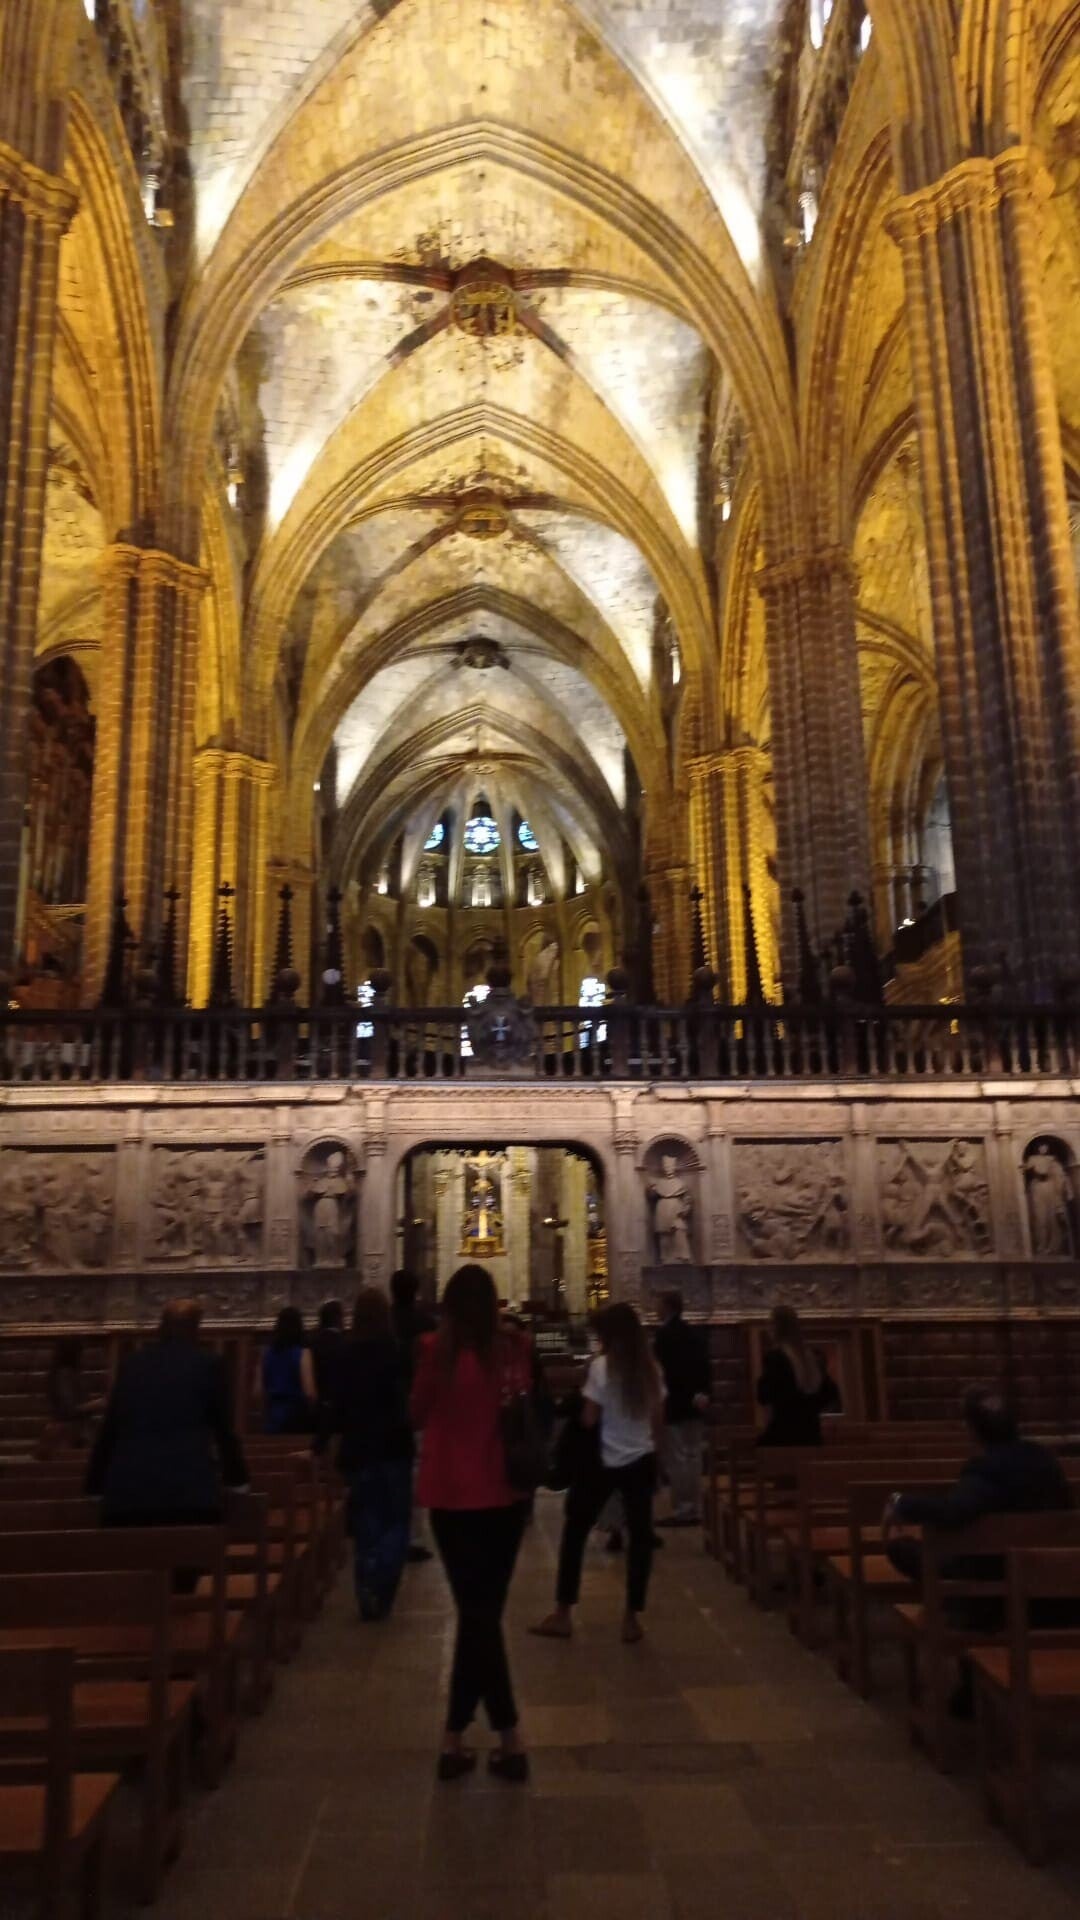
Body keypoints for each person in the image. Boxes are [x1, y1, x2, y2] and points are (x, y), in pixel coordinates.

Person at [411, 1264, 532, 1784]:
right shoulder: (513, 1350)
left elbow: (415, 1413)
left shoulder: (432, 1352)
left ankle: (459, 1739)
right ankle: (502, 1739)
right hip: (504, 1496)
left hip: (451, 1498)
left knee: (476, 1616)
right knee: (482, 1616)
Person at [883, 1387, 1074, 1715]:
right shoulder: (1045, 1460)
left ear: (971, 1430)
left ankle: (968, 1676)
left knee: (910, 1553)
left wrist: (902, 1503)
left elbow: (954, 1512)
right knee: (961, 1563)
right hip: (1054, 1590)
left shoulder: (985, 1468)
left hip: (997, 1599)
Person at [532, 1302, 663, 1646]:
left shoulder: (602, 1368)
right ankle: (632, 1618)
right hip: (641, 1459)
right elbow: (657, 1420)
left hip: (603, 1460)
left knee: (575, 1531)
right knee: (640, 1538)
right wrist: (655, 1455)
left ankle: (563, 1613)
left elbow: (589, 1419)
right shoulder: (651, 1369)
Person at [86, 1300, 248, 1526]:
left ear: (160, 1328)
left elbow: (111, 1427)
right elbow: (224, 1430)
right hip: (190, 1492)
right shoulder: (209, 1364)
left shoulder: (133, 1364)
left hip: (128, 1493)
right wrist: (237, 1481)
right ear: (195, 1330)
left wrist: (94, 1484)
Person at [323, 1288, 413, 1621]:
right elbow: (405, 1401)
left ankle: (366, 1589)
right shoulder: (397, 1352)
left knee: (365, 1523)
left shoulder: (345, 1354)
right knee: (396, 1521)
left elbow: (336, 1405)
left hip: (359, 1449)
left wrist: (320, 1444)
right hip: (393, 1448)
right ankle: (383, 1584)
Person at [391, 1269, 438, 1562]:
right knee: (416, 1470)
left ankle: (391, 1533)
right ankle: (414, 1536)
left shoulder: (384, 1321)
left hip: (389, 1406)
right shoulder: (426, 1322)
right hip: (417, 1403)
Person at [653, 1289, 710, 1525]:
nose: (656, 1309)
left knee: (677, 1458)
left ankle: (683, 1509)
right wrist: (703, 1393)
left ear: (667, 1307)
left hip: (674, 1403)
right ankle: (695, 1506)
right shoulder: (693, 1333)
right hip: (694, 1402)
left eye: (658, 1305)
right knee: (694, 1456)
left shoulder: (664, 1336)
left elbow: (662, 1373)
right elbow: (704, 1366)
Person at [756, 1304, 838, 1446]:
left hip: (783, 1434)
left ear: (777, 1328)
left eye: (770, 1324)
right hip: (812, 1434)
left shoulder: (776, 1357)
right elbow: (830, 1393)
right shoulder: (812, 1357)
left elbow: (763, 1396)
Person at [260, 1306, 316, 1434]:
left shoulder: (266, 1353)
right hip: (295, 1417)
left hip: (273, 1415)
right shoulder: (303, 1353)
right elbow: (309, 1392)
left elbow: (258, 1391)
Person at [43, 1335, 103, 1453]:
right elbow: (69, 1409)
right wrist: (97, 1404)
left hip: (72, 1433)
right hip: (71, 1434)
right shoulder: (64, 1374)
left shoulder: (62, 1374)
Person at [309, 1299, 346, 1414]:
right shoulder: (345, 1343)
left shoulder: (312, 1344)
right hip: (341, 1404)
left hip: (318, 1406)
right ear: (338, 1319)